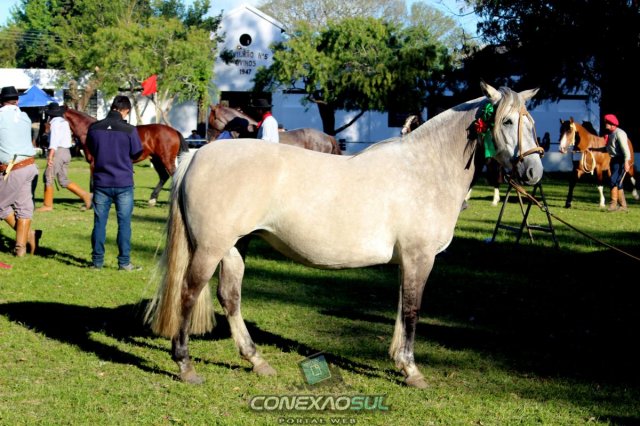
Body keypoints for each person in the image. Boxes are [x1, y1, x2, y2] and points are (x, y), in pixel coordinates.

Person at [86, 95, 143, 270]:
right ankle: (124, 262)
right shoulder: (130, 130)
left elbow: (91, 149)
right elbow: (137, 153)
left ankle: (97, 262)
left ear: (112, 107)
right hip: (123, 182)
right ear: (126, 111)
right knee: (124, 224)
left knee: (99, 223)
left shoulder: (94, 128)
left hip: (101, 181)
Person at [0, 86, 41, 256]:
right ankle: (20, 248)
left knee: (1, 206)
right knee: (24, 208)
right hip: (30, 165)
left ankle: (28, 235)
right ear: (17, 101)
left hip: (12, 167)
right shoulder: (24, 117)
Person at [36, 103, 92, 212]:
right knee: (63, 179)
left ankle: (47, 205)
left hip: (58, 152)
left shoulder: (55, 123)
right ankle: (86, 196)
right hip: (66, 152)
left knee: (48, 176)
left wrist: (50, 156)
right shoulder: (65, 122)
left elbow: (54, 141)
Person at [603, 114, 631, 211]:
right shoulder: (611, 133)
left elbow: (626, 150)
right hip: (614, 160)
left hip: (621, 160)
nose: (605, 124)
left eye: (607, 122)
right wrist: (593, 149)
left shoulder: (619, 133)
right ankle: (623, 206)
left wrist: (626, 162)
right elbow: (610, 149)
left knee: (614, 180)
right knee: (618, 182)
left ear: (612, 124)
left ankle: (613, 204)